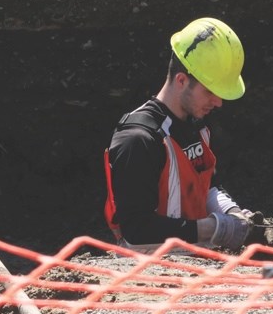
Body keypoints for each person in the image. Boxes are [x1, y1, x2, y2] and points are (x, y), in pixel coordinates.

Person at [103, 17, 259, 251]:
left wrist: (231, 213)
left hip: (195, 258)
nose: (218, 102)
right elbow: (137, 231)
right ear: (182, 80)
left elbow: (207, 187)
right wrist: (215, 229)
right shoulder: (138, 139)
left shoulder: (196, 126)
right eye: (210, 92)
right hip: (150, 271)